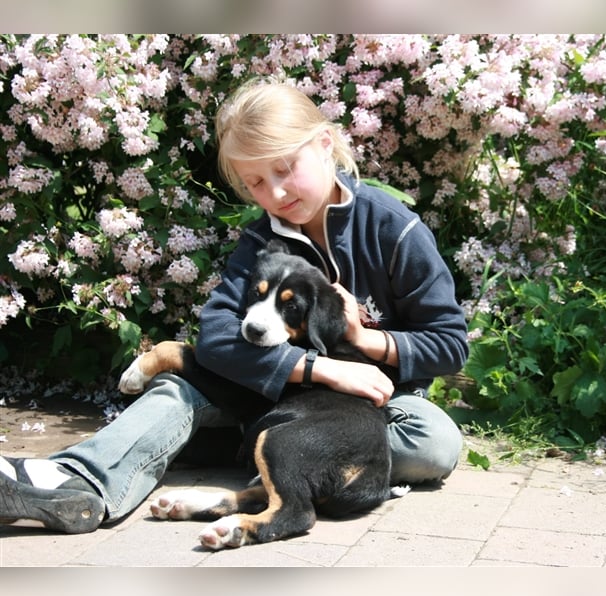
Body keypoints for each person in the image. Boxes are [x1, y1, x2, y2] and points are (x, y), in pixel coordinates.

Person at [0, 80, 468, 534]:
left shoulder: (393, 230)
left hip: (372, 406)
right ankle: (76, 480)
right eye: (256, 183)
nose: (277, 194)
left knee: (435, 443)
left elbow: (449, 345)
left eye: (285, 169)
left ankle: (262, 460)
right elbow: (218, 335)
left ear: (325, 144)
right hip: (271, 391)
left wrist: (363, 339)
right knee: (177, 389)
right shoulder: (262, 240)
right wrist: (319, 369)